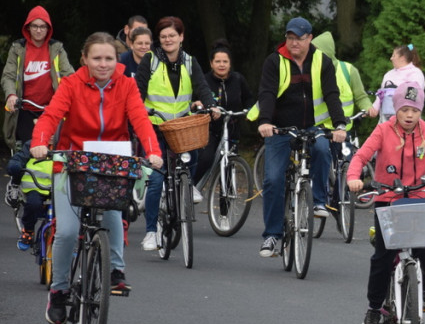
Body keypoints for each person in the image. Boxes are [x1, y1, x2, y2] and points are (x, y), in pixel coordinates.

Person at [29, 32, 163, 324]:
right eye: (97, 58)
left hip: (111, 163)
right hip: (72, 164)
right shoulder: (71, 84)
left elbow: (140, 119)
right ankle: (60, 290)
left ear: (117, 60)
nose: (103, 64)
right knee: (66, 231)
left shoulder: (126, 85)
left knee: (113, 214)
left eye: (109, 58)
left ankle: (115, 271)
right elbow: (51, 116)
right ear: (85, 60)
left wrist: (153, 151)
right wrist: (40, 140)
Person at [346, 83, 425, 324]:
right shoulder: (383, 131)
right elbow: (361, 156)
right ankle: (374, 307)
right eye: (405, 109)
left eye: (415, 110)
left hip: (420, 197)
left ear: (421, 112)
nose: (410, 115)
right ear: (396, 109)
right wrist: (354, 177)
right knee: (383, 257)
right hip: (387, 198)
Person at [249, 16, 347, 257]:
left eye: (299, 38)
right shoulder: (274, 61)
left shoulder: (321, 61)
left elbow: (332, 94)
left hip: (313, 126)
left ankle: (319, 201)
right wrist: (265, 122)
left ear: (310, 39)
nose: (293, 43)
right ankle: (272, 236)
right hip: (280, 127)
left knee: (323, 150)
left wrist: (340, 124)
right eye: (290, 37)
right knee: (273, 179)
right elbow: (268, 93)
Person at [136, 16, 218, 251]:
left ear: (181, 37)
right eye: (163, 37)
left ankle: (188, 183)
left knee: (193, 155)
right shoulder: (150, 60)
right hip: (154, 126)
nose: (168, 39)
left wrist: (211, 105)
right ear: (158, 40)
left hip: (181, 126)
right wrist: (139, 109)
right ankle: (151, 231)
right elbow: (139, 91)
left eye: (172, 35)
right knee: (157, 178)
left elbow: (202, 87)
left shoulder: (190, 62)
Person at [3, 6, 74, 151]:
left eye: (43, 26)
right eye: (35, 26)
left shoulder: (56, 48)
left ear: (48, 28)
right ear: (28, 27)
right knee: (28, 148)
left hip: (51, 109)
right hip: (25, 109)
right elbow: (8, 75)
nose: (38, 30)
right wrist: (11, 95)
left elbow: (69, 74)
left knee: (53, 147)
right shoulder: (18, 48)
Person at [196, 40, 253, 183]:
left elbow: (249, 98)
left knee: (229, 164)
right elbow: (193, 99)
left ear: (230, 63)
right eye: (218, 61)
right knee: (206, 159)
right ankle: (191, 187)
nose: (221, 65)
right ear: (211, 63)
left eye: (225, 62)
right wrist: (196, 104)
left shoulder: (238, 79)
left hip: (231, 128)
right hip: (210, 129)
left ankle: (226, 202)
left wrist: (249, 112)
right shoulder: (204, 80)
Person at [6, 140, 53, 250]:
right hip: (35, 187)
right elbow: (19, 158)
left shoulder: (67, 144)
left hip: (59, 188)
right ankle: (28, 231)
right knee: (33, 204)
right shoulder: (33, 144)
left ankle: (69, 243)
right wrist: (14, 166)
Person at [366, 43, 424, 121]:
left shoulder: (415, 74)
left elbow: (412, 97)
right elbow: (381, 95)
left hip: (407, 122)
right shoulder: (388, 74)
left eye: (393, 56)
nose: (391, 58)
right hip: (386, 121)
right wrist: (374, 109)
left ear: (402, 58)